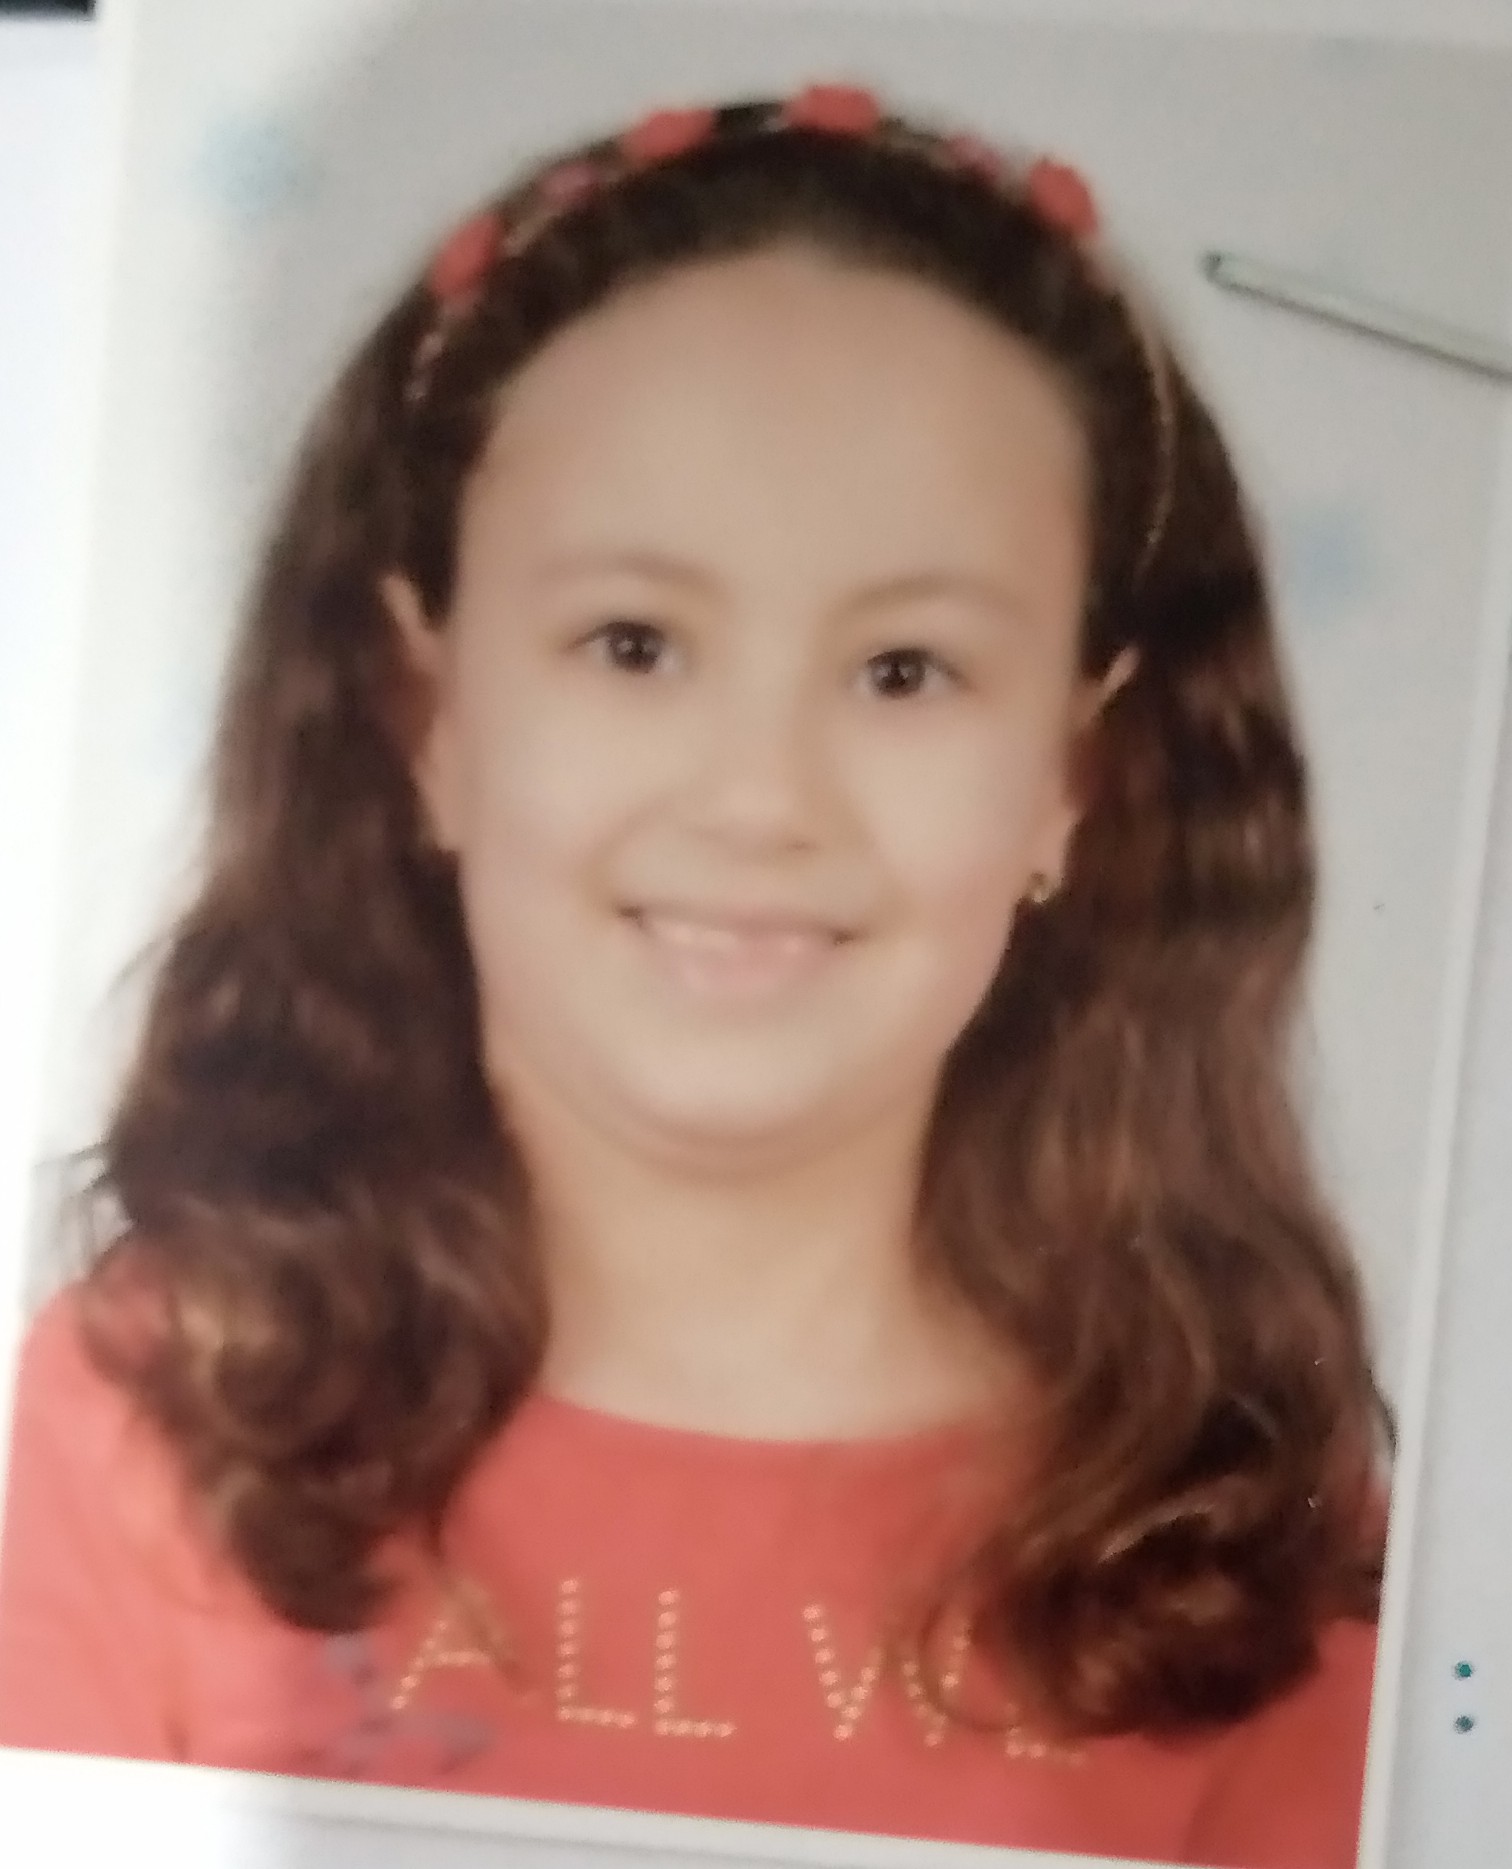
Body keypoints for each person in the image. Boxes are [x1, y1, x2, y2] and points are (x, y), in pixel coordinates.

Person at [0, 84, 1388, 1867]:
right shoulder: (133, 1425)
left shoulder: (1246, 1543)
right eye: (634, 642)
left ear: (1076, 774)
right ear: (424, 713)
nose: (757, 798)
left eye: (904, 670)